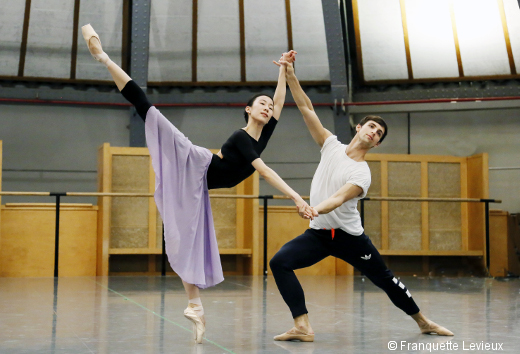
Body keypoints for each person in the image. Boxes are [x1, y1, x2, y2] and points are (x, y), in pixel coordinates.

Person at [81, 24, 313, 344]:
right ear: (248, 110)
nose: (268, 106)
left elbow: (280, 98)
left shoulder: (264, 133)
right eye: (261, 104)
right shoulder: (243, 139)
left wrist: (285, 70)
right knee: (150, 111)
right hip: (193, 162)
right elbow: (265, 172)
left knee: (189, 238)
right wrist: (296, 198)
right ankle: (104, 58)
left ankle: (194, 305)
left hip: (199, 186)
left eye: (269, 106)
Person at [269, 53, 454, 342]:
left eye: (379, 133)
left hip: (349, 237)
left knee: (385, 279)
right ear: (359, 127)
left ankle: (423, 321)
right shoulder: (330, 145)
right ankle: (302, 326)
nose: (374, 132)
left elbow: (339, 198)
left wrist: (313, 208)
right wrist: (290, 72)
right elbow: (306, 108)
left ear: (377, 143)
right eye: (371, 126)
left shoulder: (362, 173)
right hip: (319, 234)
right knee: (279, 262)